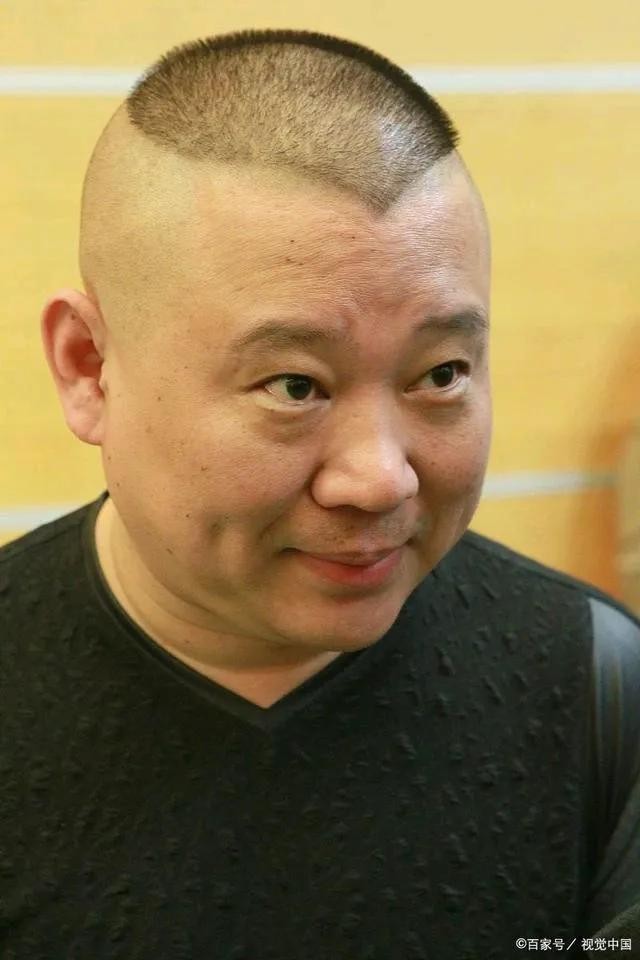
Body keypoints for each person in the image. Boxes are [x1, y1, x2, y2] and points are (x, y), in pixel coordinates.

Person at [1, 27, 639, 960]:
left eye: (442, 374)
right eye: (294, 386)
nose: (381, 478)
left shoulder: (597, 685)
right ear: (90, 367)